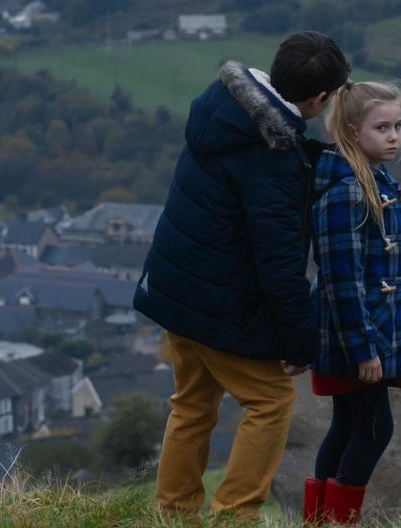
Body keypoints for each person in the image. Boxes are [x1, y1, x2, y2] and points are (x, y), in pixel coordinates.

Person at [132, 32, 350, 520]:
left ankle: (174, 513)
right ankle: (235, 514)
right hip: (216, 304)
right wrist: (300, 341)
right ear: (317, 99)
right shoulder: (270, 160)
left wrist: (308, 159)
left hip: (175, 290)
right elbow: (279, 263)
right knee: (270, 402)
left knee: (192, 404)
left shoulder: (227, 113)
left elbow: (248, 174)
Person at [302, 79, 401, 525]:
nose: (394, 136)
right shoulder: (348, 189)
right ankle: (336, 524)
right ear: (352, 131)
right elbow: (340, 277)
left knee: (349, 425)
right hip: (355, 334)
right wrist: (364, 348)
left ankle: (318, 523)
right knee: (374, 429)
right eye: (382, 127)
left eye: (398, 126)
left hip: (361, 331)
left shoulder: (373, 178)